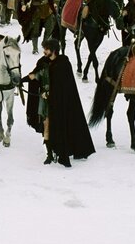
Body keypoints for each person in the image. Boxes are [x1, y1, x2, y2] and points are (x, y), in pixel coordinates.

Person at [25, 39, 95, 167]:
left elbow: (64, 86)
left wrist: (52, 94)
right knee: (46, 125)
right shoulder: (43, 62)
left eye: (46, 49)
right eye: (44, 49)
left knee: (63, 125)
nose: (44, 51)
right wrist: (22, 80)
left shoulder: (63, 63)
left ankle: (66, 150)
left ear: (53, 50)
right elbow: (35, 75)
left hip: (62, 103)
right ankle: (49, 154)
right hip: (46, 102)